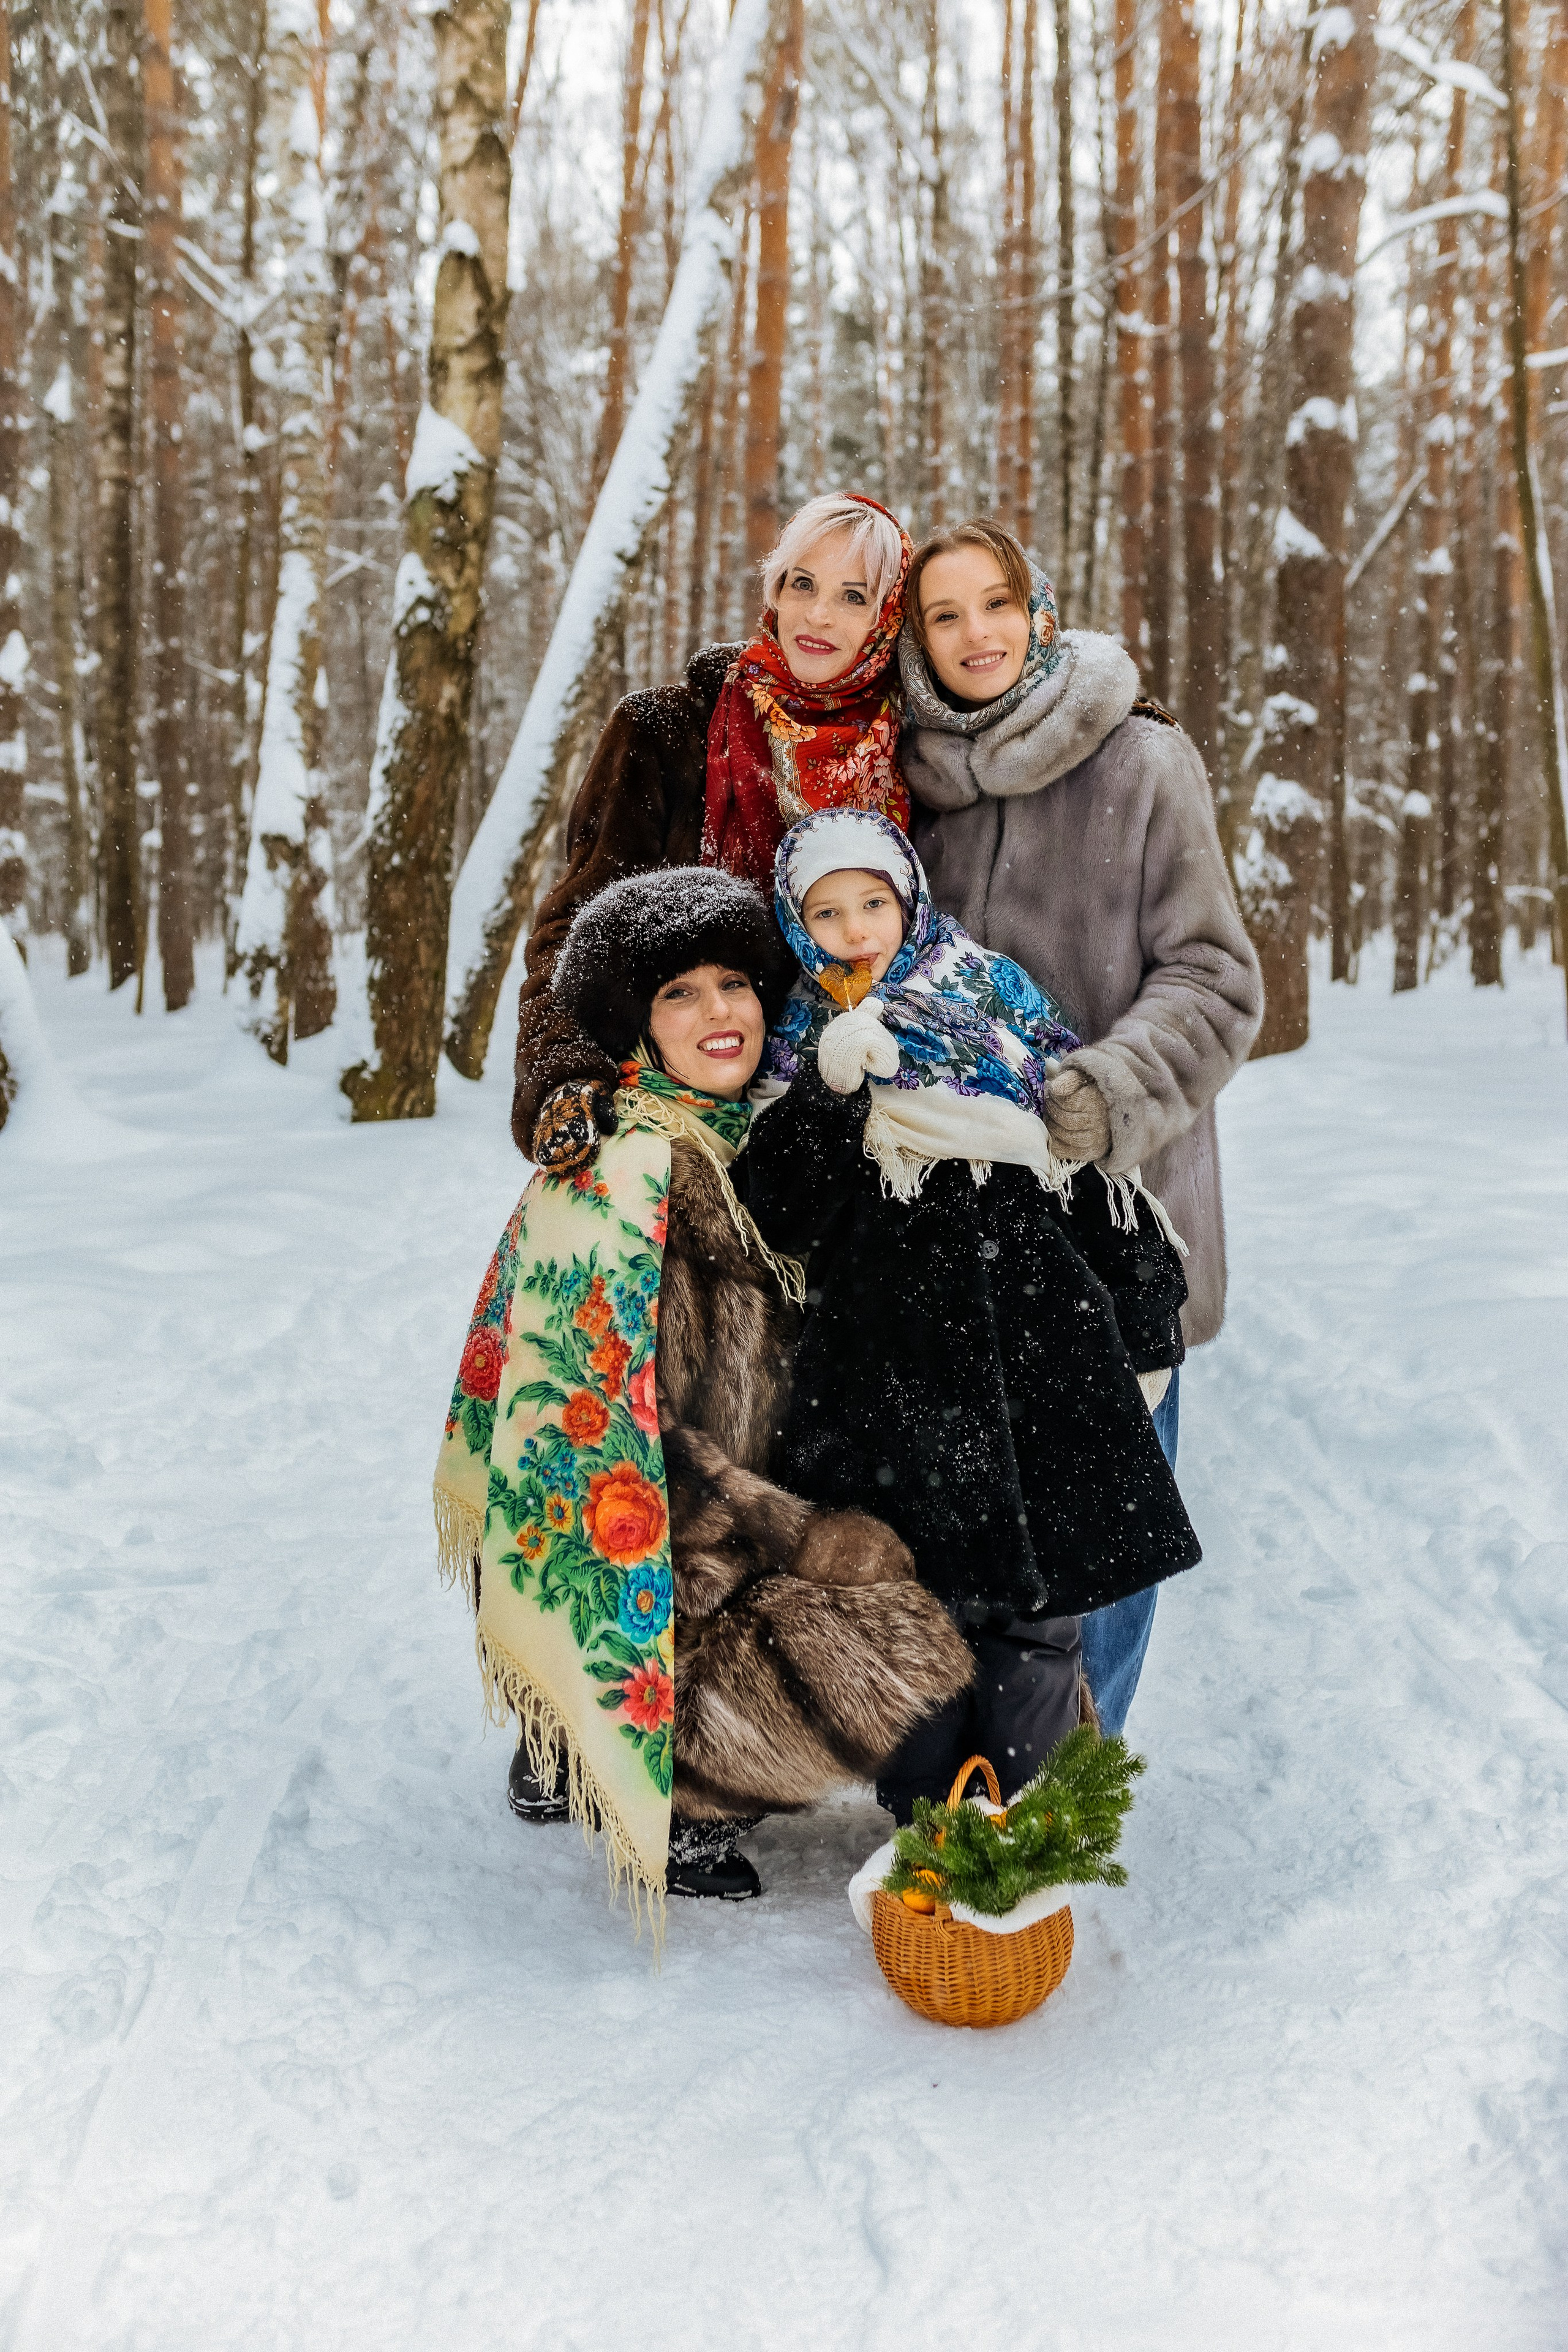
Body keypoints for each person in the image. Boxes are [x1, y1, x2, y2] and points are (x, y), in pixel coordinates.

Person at [434, 865, 971, 1905]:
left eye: (734, 982)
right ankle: (676, 1785)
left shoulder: (738, 1133)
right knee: (907, 1663)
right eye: (679, 994)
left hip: (740, 1512)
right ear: (636, 1026)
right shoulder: (621, 1175)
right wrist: (794, 1534)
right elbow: (630, 1452)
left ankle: (567, 1743)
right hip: (677, 1560)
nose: (720, 1013)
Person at [734, 808, 1200, 1823]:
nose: (857, 929)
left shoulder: (990, 992)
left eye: (874, 902)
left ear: (909, 900)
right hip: (885, 1369)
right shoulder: (800, 1033)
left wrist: (1139, 1314)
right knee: (913, 1602)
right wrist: (829, 1094)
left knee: (1036, 1605)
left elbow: (1072, 1152)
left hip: (1029, 1342)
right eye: (828, 911)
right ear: (798, 923)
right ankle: (931, 1824)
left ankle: (1028, 1821)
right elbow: (774, 1209)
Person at [898, 521, 1264, 1732]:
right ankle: (965, 1778)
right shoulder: (902, 790)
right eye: (942, 615)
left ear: (1039, 611)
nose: (974, 634)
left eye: (993, 603)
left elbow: (1213, 981)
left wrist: (1101, 1096)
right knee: (956, 1522)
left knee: (1103, 1531)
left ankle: (1066, 1796)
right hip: (950, 1231)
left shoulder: (1141, 762)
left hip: (1118, 1214)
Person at [511, 491, 913, 1176]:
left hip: (876, 1093)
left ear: (887, 618)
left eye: (853, 597)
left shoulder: (919, 747)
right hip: (693, 1095)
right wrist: (564, 1076)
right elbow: (575, 928)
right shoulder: (665, 730)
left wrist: (1116, 725)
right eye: (803, 584)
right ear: (774, 589)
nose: (818, 615)